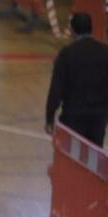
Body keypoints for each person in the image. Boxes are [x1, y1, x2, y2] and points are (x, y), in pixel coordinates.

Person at [44, 13, 108, 146]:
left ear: (72, 30)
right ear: (91, 28)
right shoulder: (105, 52)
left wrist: (49, 118)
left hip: (72, 118)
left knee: (71, 162)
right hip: (98, 119)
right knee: (92, 161)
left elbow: (56, 90)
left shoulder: (66, 54)